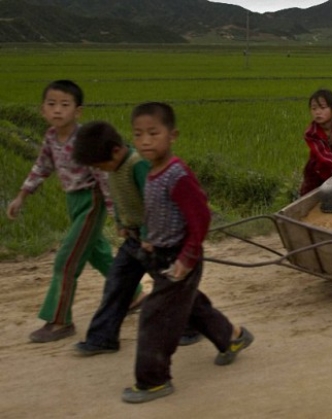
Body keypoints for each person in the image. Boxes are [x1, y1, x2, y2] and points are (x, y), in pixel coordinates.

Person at [122, 102, 253, 403]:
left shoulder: (177, 175)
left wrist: (187, 258)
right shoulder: (153, 173)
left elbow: (200, 218)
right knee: (191, 304)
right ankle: (232, 338)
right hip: (162, 255)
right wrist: (148, 238)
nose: (145, 141)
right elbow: (158, 212)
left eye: (153, 133)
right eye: (139, 134)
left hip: (180, 258)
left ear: (172, 135)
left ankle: (153, 381)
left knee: (155, 318)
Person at [5, 80, 142, 343]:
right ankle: (135, 293)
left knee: (66, 260)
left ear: (77, 111)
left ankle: (59, 321)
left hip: (91, 202)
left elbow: (104, 179)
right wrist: (22, 195)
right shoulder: (50, 138)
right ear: (42, 109)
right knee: (99, 254)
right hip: (73, 202)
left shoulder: (85, 140)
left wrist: (118, 216)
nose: (57, 110)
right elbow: (41, 167)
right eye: (52, 104)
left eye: (64, 105)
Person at [71, 122, 200, 356]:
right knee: (116, 285)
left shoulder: (137, 165)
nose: (102, 170)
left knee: (172, 288)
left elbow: (153, 203)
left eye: (101, 165)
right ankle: (102, 338)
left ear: (116, 151)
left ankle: (192, 326)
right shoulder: (113, 169)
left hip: (154, 241)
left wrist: (150, 235)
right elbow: (120, 198)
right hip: (133, 240)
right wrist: (120, 222)